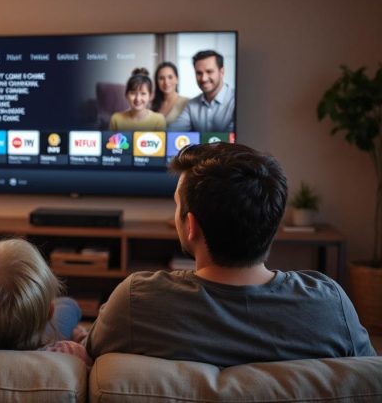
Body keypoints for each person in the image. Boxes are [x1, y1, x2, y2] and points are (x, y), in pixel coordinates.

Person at [84, 142, 375, 366]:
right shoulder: (329, 306)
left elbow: (88, 356)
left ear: (191, 226)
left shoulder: (136, 302)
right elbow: (367, 376)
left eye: (176, 205)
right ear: (273, 219)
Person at [168, 50, 235, 132]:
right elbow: (174, 131)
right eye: (199, 73)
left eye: (209, 71)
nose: (204, 78)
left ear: (222, 72)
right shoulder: (191, 105)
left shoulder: (237, 101)